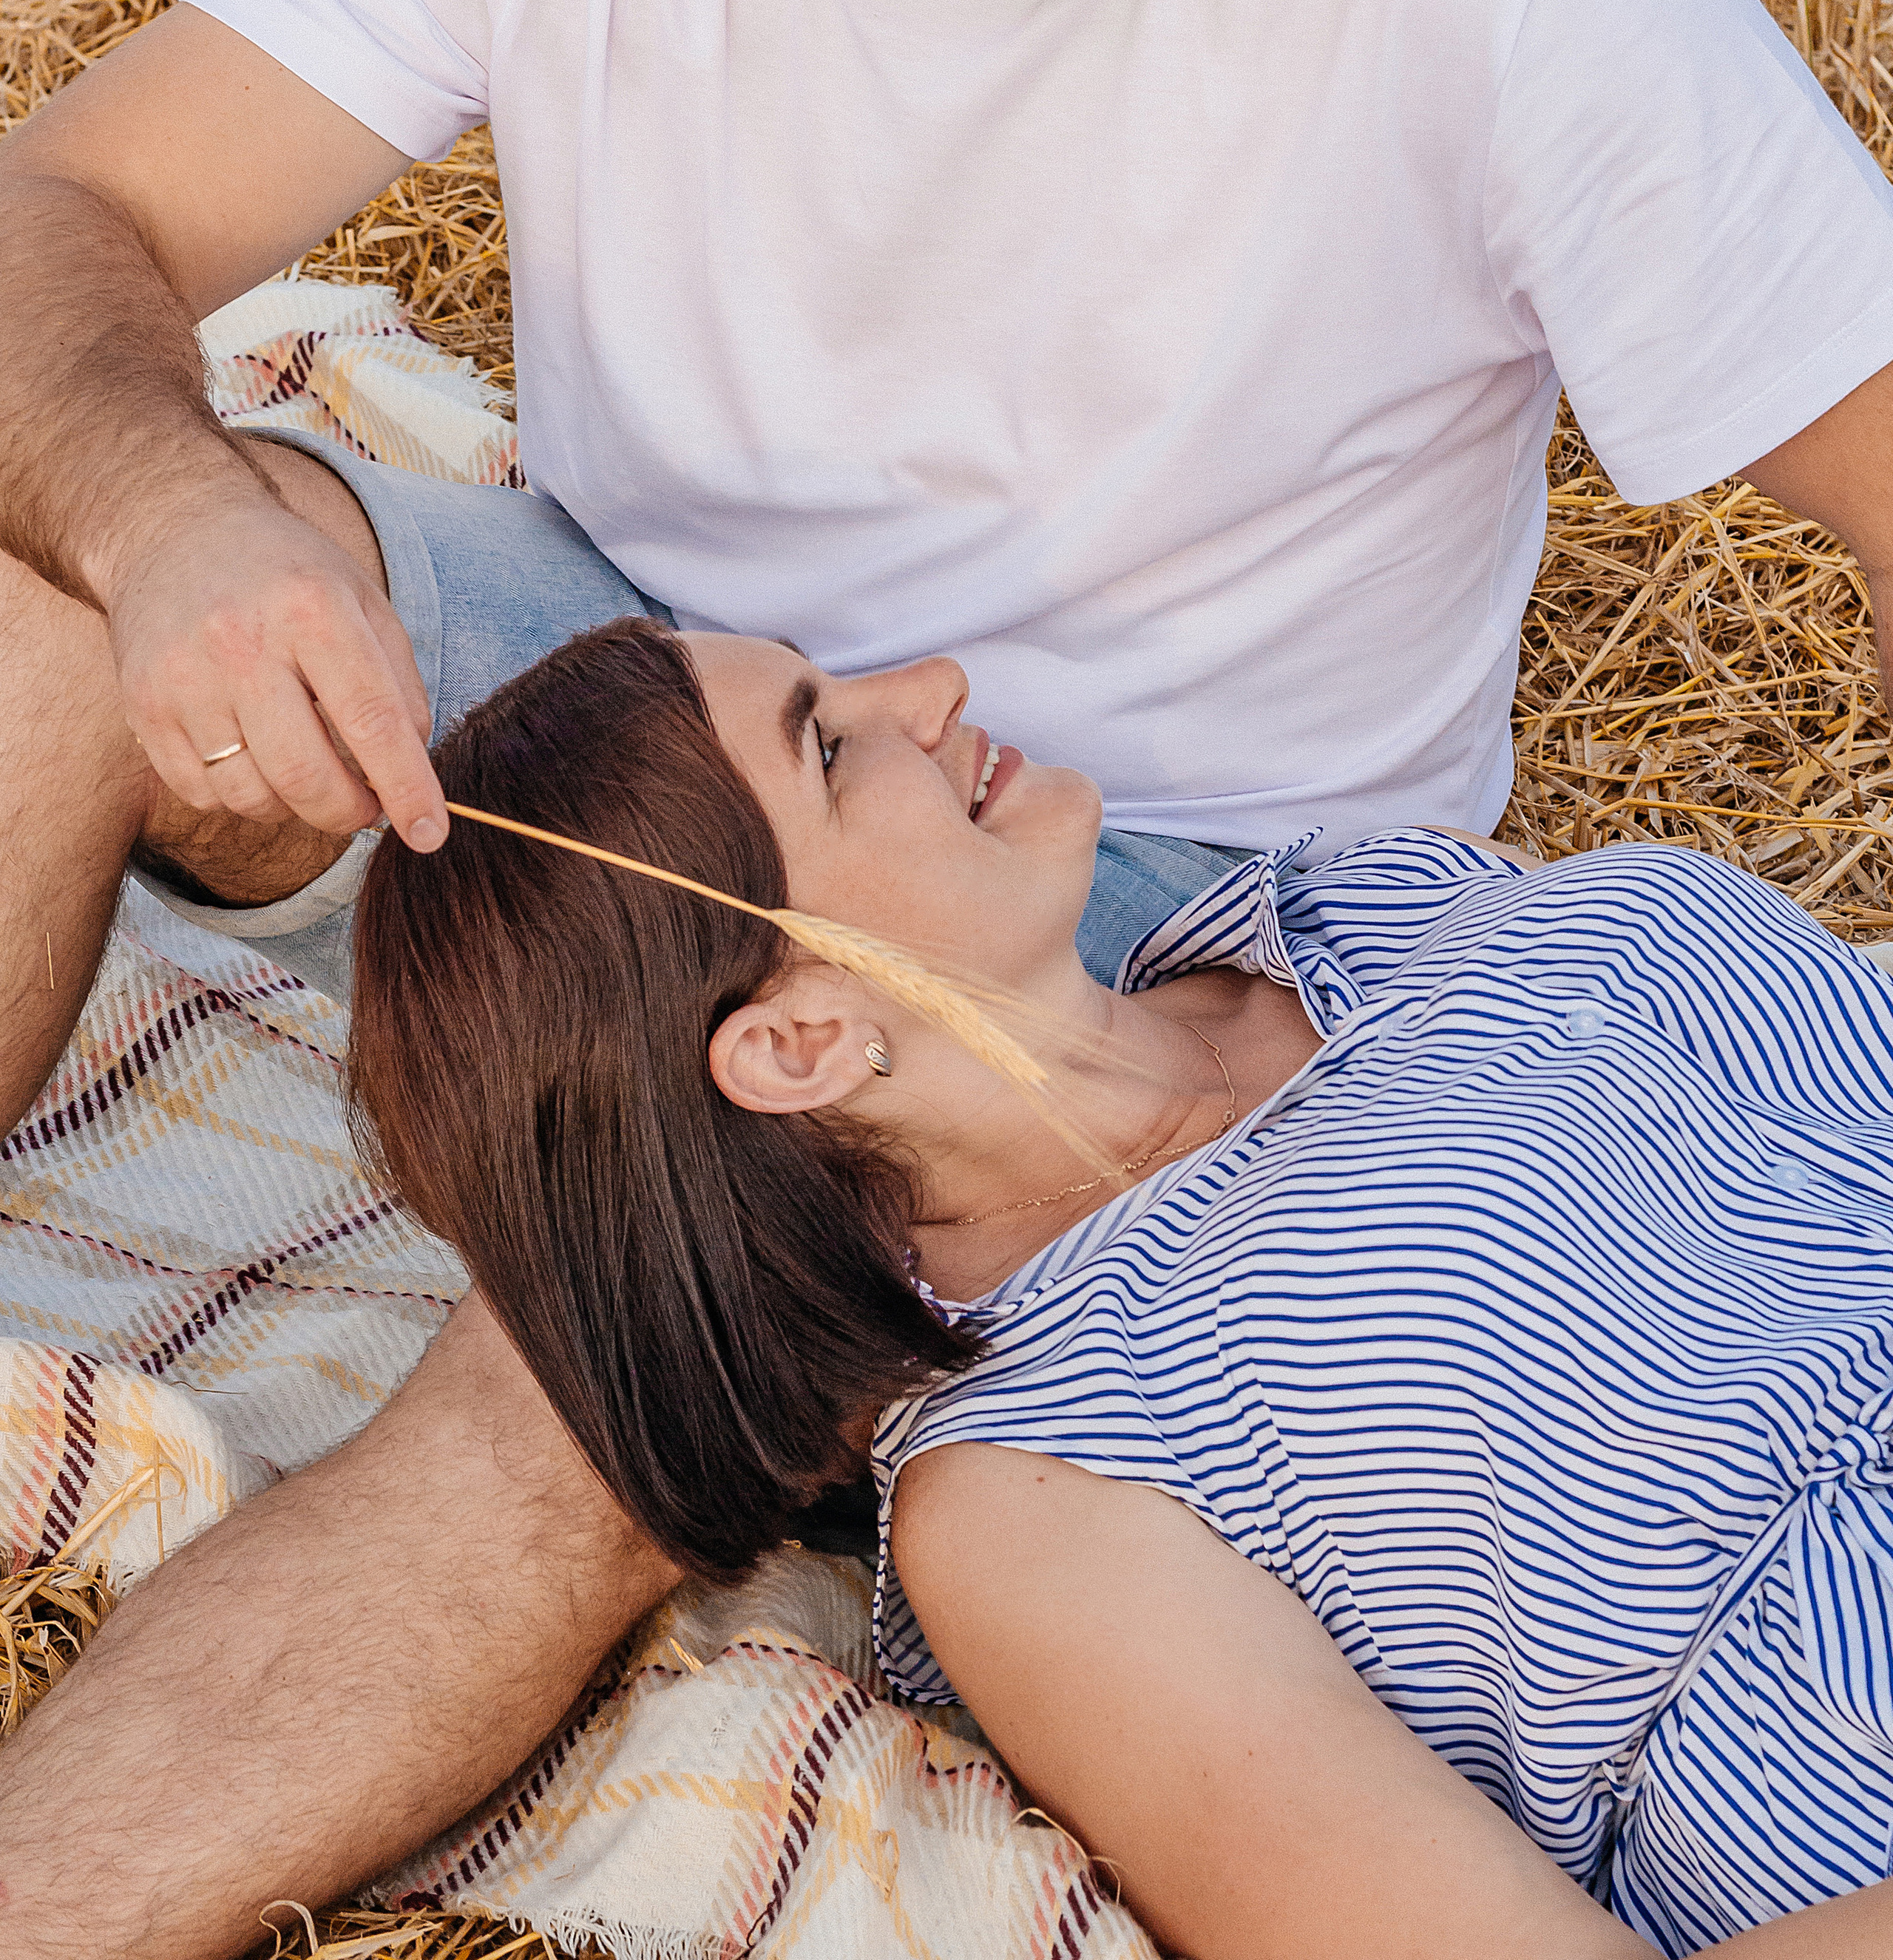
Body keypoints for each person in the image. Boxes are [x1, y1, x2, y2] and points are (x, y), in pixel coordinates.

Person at [4, 0, 1893, 1950]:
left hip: (1178, 867)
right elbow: (58, 209)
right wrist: (176, 519)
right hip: (683, 685)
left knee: (589, 1399)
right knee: (48, 547)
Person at [350, 614, 1893, 1960]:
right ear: (797, 1040)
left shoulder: (1343, 904)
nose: (934, 684)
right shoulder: (1033, 1490)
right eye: (827, 747)